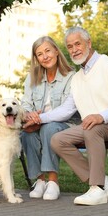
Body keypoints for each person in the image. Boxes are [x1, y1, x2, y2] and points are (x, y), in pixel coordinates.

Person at [23, 27, 108, 205]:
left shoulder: (107, 64)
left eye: (78, 44)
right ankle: (103, 181)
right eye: (70, 46)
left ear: (89, 43)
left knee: (93, 128)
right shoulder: (77, 78)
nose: (74, 49)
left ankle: (96, 188)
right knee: (57, 139)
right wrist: (38, 119)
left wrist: (102, 116)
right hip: (95, 126)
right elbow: (66, 110)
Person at [21, 36, 80, 201]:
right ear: (36, 59)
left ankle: (53, 182)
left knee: (49, 128)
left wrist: (39, 120)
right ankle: (39, 180)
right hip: (36, 123)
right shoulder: (31, 77)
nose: (45, 56)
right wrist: (28, 115)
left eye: (47, 51)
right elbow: (25, 104)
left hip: (64, 125)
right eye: (39, 54)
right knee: (26, 133)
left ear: (56, 51)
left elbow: (66, 111)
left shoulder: (71, 77)